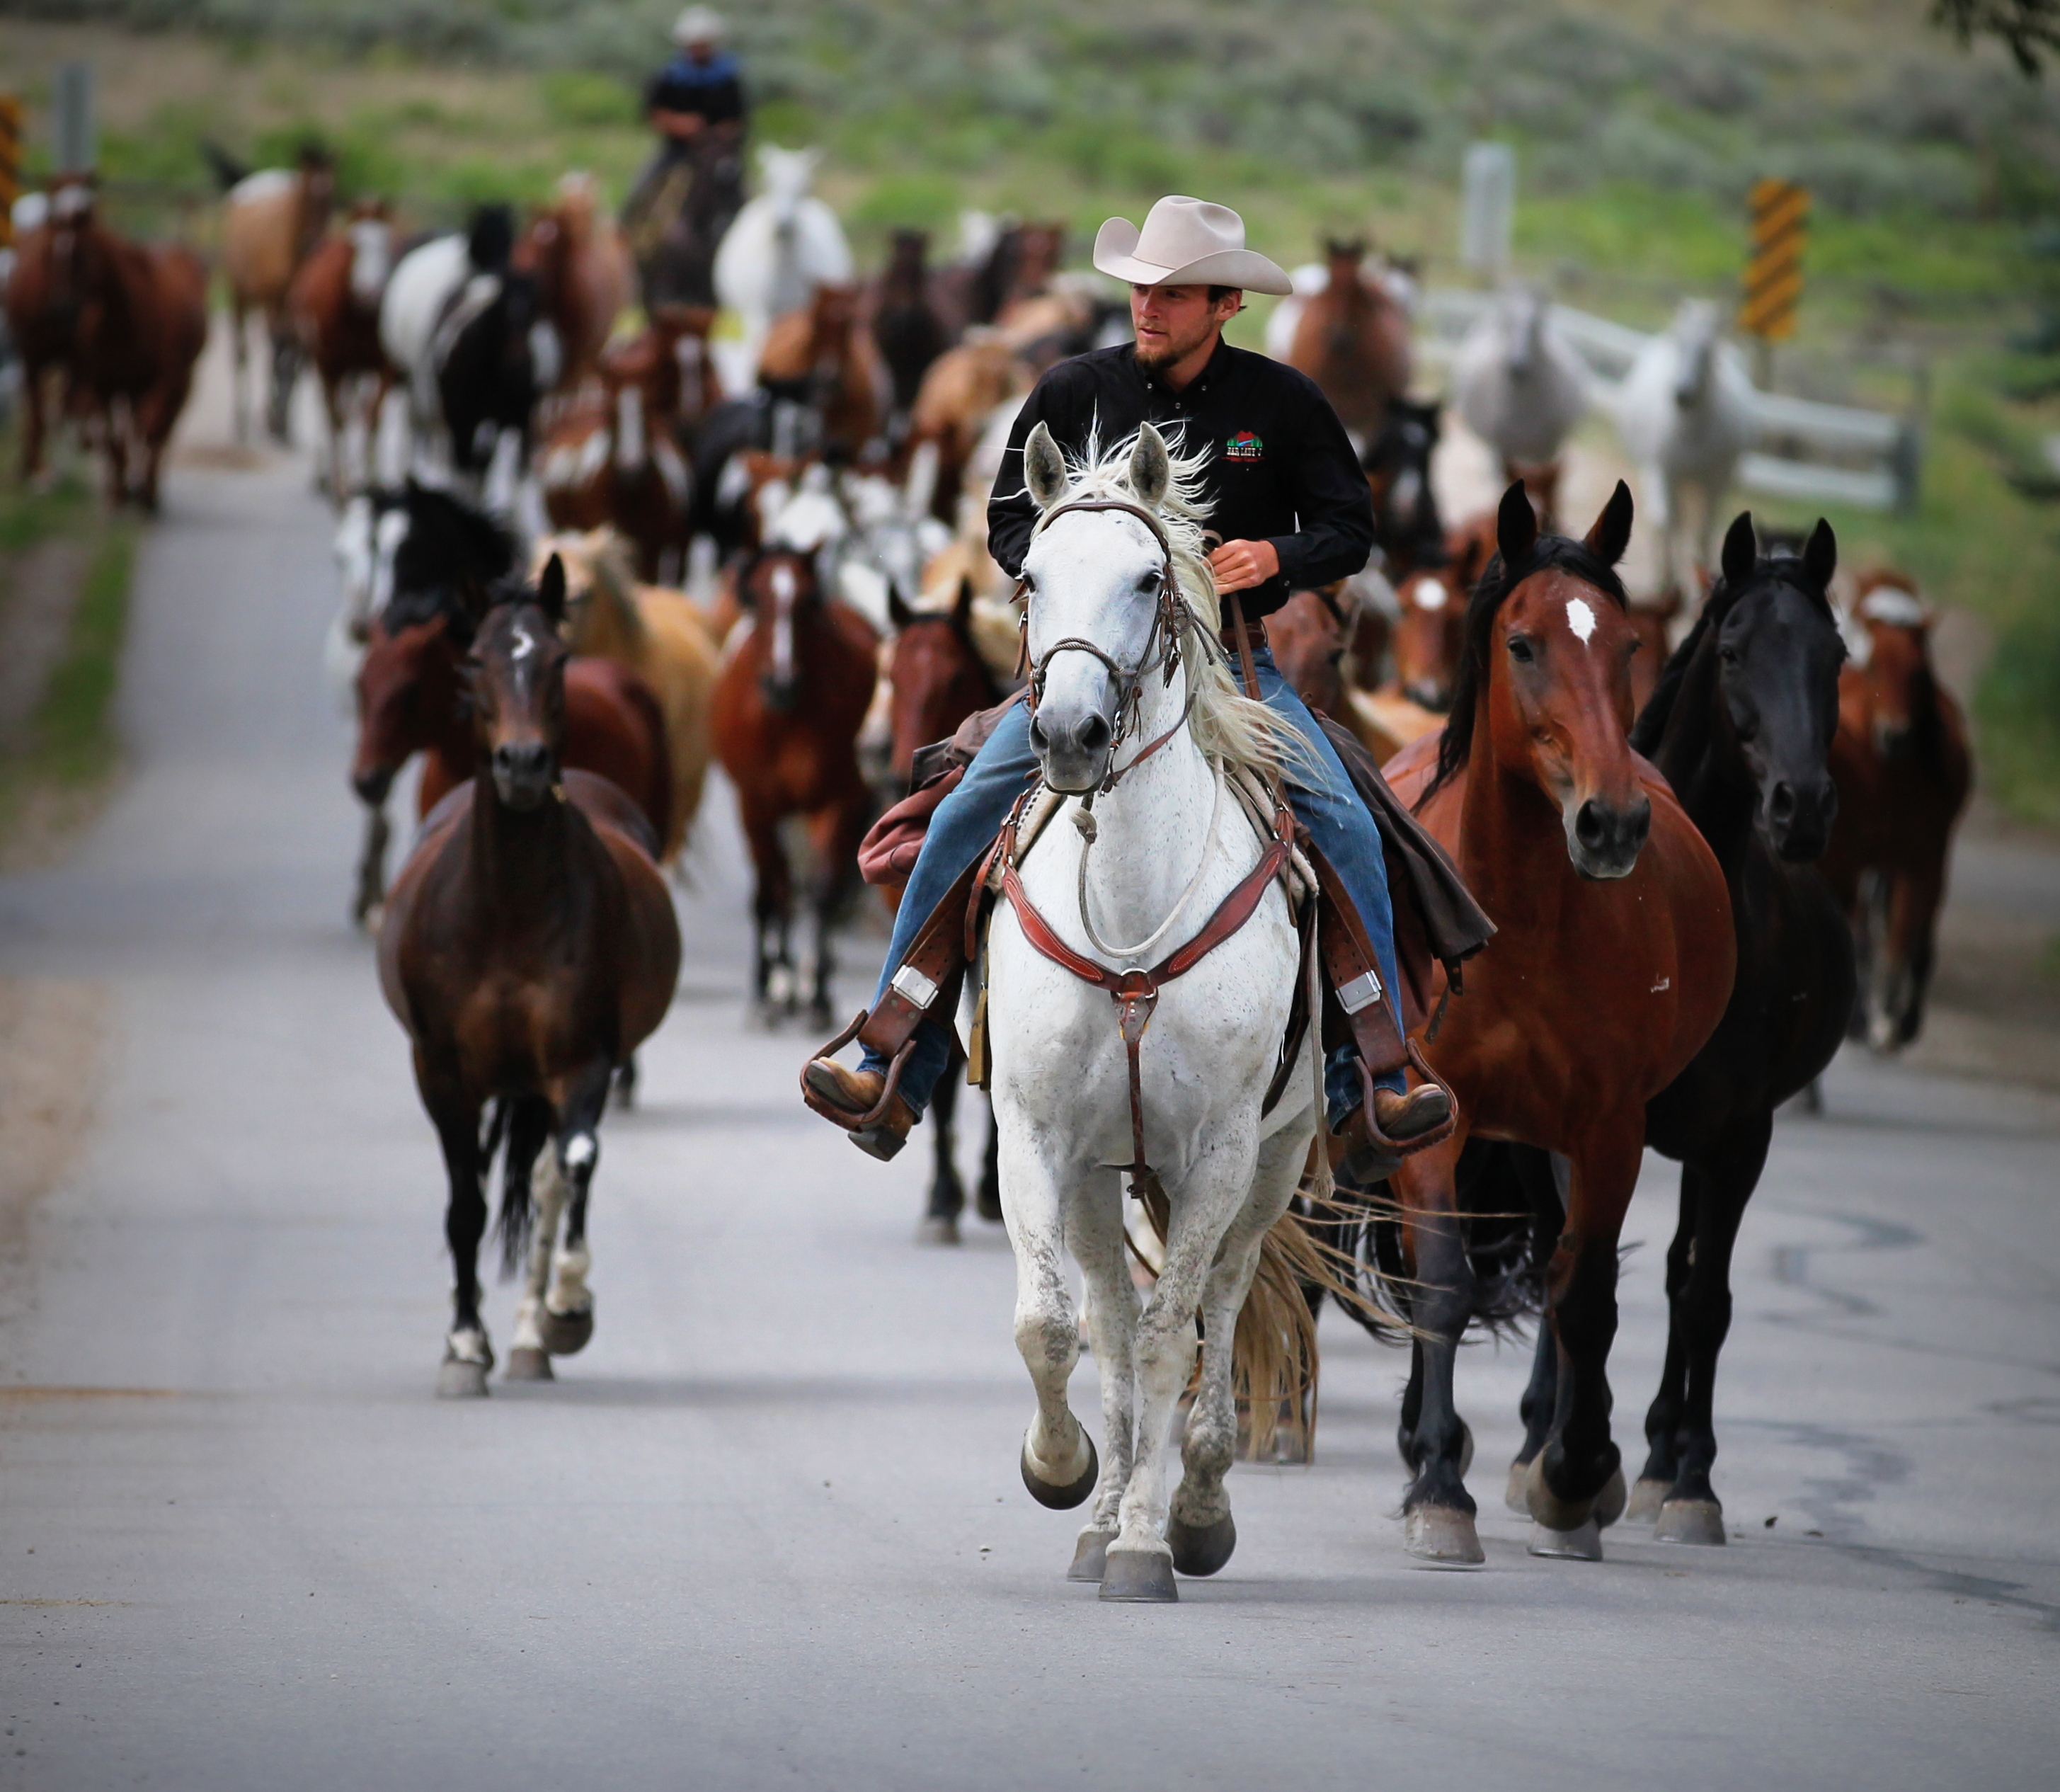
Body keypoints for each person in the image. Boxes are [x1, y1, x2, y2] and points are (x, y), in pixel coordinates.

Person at [803, 195, 1453, 1168]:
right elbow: (1005, 518)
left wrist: (1272, 557)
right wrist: (1071, 565)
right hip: (1087, 666)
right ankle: (893, 1053)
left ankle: (1375, 1071)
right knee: (960, 816)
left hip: (1233, 668)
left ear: (1225, 302)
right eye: (1141, 287)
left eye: (1175, 292)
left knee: (1348, 821)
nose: (1149, 305)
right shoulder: (1073, 390)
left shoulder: (1281, 404)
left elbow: (1347, 528)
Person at [622, 8, 748, 305]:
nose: (699, 48)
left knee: (741, 193)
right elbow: (654, 113)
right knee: (640, 190)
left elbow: (739, 119)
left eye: (704, 43)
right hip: (677, 153)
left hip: (717, 153)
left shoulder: (728, 76)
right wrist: (683, 125)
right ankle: (629, 245)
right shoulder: (671, 75)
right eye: (694, 43)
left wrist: (720, 134)